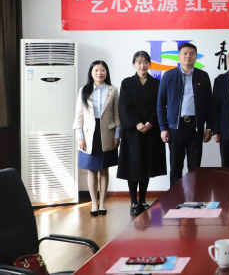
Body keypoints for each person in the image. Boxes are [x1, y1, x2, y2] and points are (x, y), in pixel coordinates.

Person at [117, 51, 167, 216]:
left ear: (149, 64)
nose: (142, 65)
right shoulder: (127, 83)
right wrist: (137, 123)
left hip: (151, 131)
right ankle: (133, 201)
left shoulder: (156, 83)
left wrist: (150, 122)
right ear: (134, 64)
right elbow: (124, 106)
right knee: (133, 166)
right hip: (133, 132)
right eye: (139, 62)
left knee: (147, 166)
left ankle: (143, 200)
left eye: (145, 62)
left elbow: (160, 105)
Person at [157, 43, 214, 187]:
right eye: (185, 53)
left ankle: (194, 197)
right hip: (175, 128)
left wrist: (209, 128)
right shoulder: (169, 76)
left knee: (195, 168)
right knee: (176, 167)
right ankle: (175, 198)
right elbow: (160, 103)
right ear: (179, 56)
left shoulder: (203, 76)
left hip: (196, 127)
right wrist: (163, 128)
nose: (188, 56)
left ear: (196, 57)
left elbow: (209, 104)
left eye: (192, 53)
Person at [73, 60, 120, 216]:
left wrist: (117, 135)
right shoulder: (84, 90)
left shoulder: (113, 90)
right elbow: (78, 116)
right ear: (91, 73)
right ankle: (94, 203)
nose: (100, 73)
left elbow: (117, 115)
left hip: (107, 133)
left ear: (106, 72)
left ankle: (103, 203)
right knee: (92, 169)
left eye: (102, 70)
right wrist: (80, 137)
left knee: (104, 168)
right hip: (89, 134)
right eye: (96, 70)